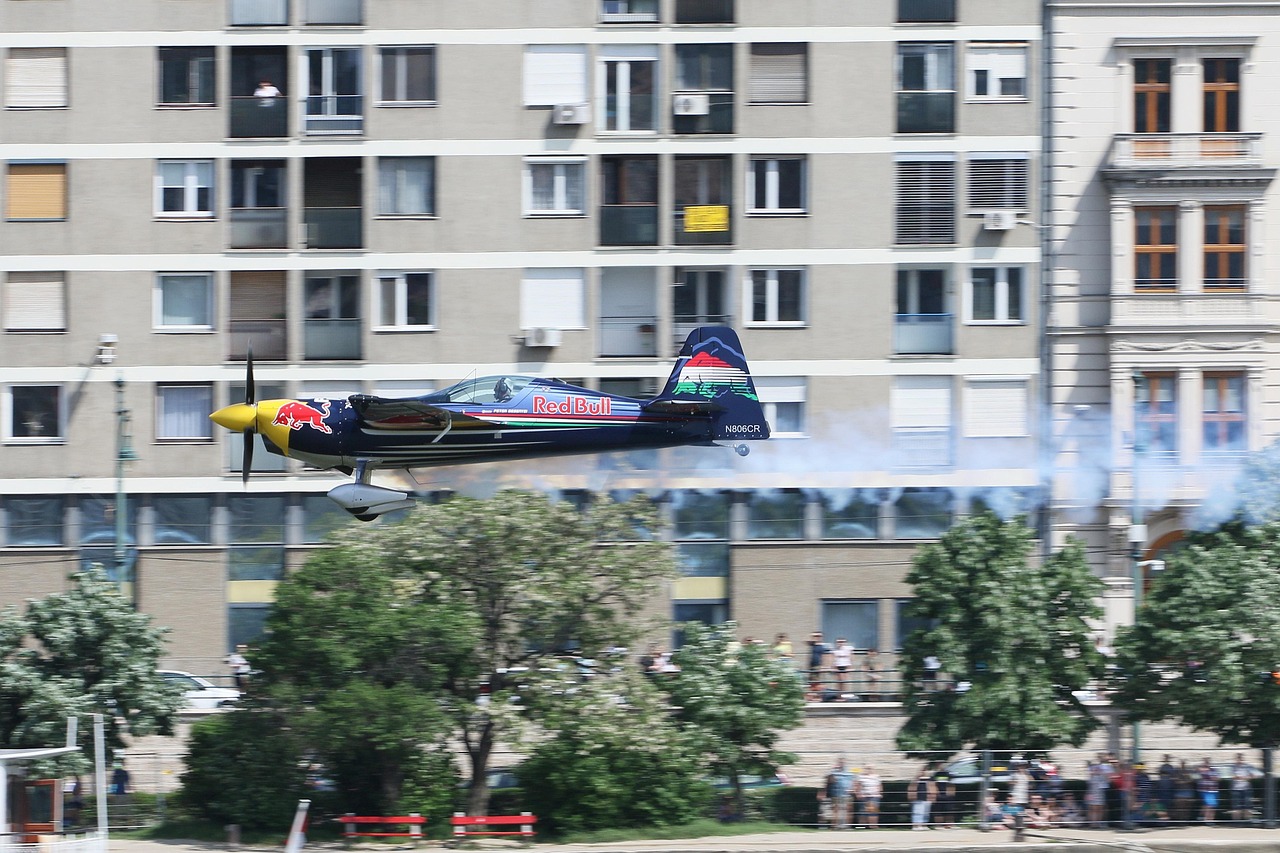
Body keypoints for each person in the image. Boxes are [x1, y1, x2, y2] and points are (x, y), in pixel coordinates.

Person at [1230, 753, 1257, 823]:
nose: (1240, 760)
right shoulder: (1233, 767)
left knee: (1247, 806)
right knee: (1236, 807)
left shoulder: (1247, 766)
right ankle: (1236, 822)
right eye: (1238, 759)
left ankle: (1247, 821)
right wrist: (1237, 777)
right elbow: (1232, 776)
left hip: (1246, 789)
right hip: (1236, 789)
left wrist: (1245, 777)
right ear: (1236, 759)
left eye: (1241, 759)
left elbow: (1254, 775)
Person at [909, 764, 936, 830]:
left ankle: (924, 825)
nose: (924, 772)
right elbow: (912, 787)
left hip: (927, 797)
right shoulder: (917, 779)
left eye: (925, 770)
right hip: (918, 797)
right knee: (918, 812)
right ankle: (916, 825)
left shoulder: (930, 779)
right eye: (922, 770)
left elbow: (933, 787)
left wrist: (933, 796)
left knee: (926, 813)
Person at [1197, 756, 1220, 824]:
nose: (1206, 763)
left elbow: (1218, 778)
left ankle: (1209, 819)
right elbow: (1196, 777)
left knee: (1212, 805)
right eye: (1205, 762)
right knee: (1209, 805)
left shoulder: (1214, 770)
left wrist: (1213, 778)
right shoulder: (1200, 770)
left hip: (1213, 790)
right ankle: (1207, 820)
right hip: (1205, 790)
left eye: (1207, 762)